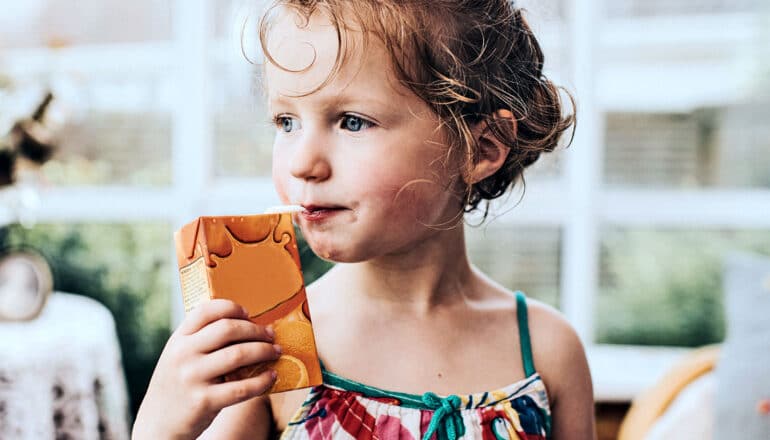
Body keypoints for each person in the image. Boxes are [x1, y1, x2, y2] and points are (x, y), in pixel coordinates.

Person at [133, 0, 595, 438]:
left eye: (352, 121)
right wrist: (158, 430)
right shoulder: (269, 345)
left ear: (482, 148)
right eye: (286, 122)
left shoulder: (548, 351)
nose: (303, 163)